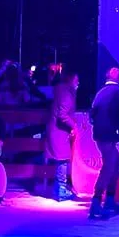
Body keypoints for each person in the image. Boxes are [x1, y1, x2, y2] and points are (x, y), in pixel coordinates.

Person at [88, 66, 119, 219]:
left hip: (100, 135)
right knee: (109, 168)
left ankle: (109, 200)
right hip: (109, 135)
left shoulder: (100, 93)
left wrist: (98, 125)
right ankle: (96, 202)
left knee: (115, 168)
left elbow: (92, 114)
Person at [43, 69, 79, 202]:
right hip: (59, 131)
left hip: (57, 131)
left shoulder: (60, 90)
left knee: (61, 159)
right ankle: (60, 190)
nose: (78, 82)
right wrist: (73, 125)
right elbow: (62, 115)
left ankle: (58, 188)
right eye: (76, 80)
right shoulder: (66, 93)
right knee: (62, 159)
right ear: (70, 80)